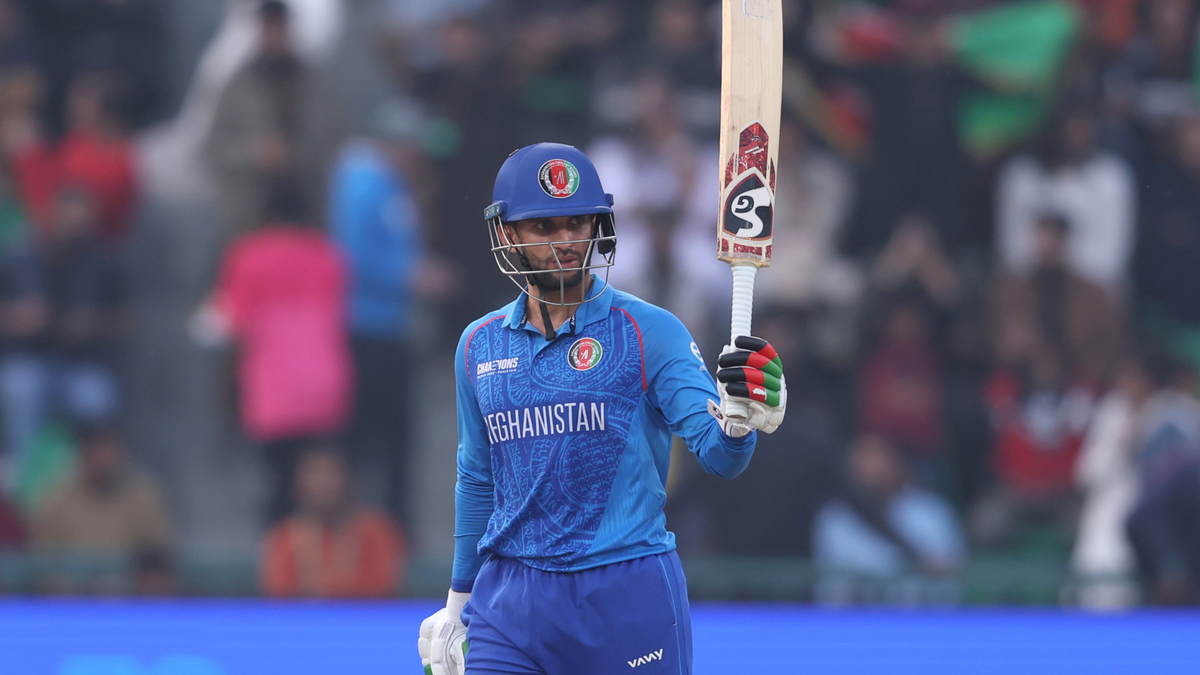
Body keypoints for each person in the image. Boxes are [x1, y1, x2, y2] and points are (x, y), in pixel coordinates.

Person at [417, 143, 787, 675]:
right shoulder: (478, 345)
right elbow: (477, 479)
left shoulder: (648, 331)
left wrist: (741, 420)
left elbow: (720, 456)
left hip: (626, 594)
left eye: (577, 223)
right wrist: (457, 605)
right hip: (510, 604)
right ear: (508, 235)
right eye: (544, 228)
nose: (566, 242)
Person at [812, 434, 966, 605]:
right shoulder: (835, 519)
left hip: (920, 621)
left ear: (896, 464)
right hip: (859, 623)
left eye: (877, 462)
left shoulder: (931, 513)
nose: (869, 471)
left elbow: (950, 583)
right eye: (861, 464)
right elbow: (831, 592)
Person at [260, 445, 406, 598]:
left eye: (332, 473)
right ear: (298, 484)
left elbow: (385, 590)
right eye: (314, 474)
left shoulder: (378, 532)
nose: (324, 484)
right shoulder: (283, 537)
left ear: (349, 479)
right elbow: (278, 597)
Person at [31, 424, 172, 557]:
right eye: (96, 451)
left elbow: (159, 554)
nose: (103, 460)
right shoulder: (56, 501)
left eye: (108, 450)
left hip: (127, 583)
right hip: (75, 582)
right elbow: (44, 564)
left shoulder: (142, 499)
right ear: (83, 453)